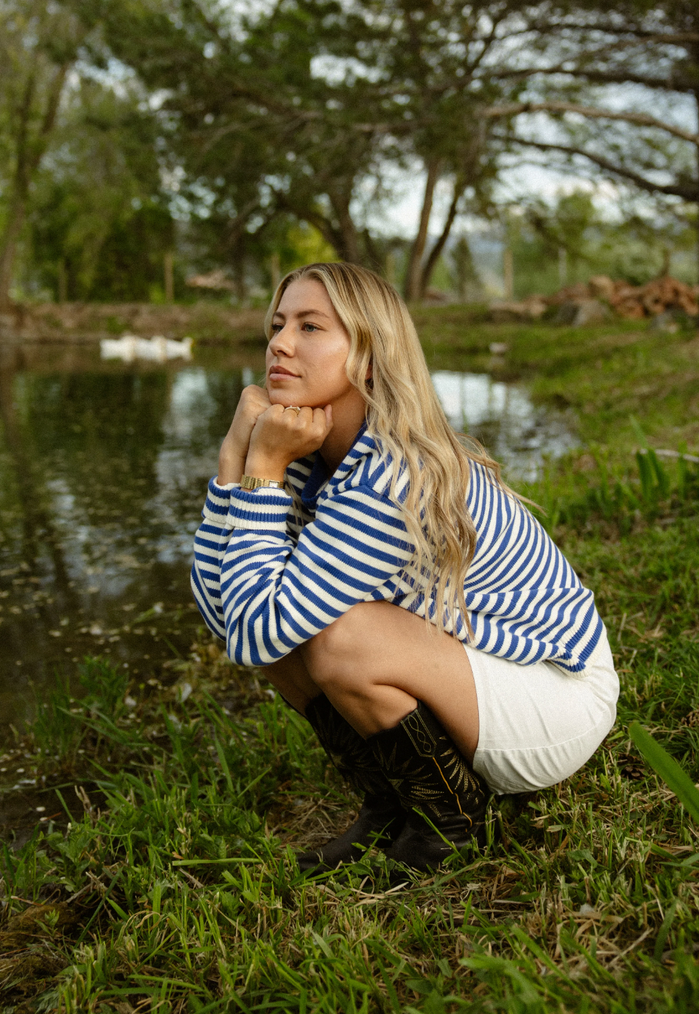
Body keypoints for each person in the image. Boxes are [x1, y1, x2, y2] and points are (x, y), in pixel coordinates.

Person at [191, 261, 619, 873]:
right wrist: (235, 458)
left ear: (367, 358)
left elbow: (254, 629)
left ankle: (452, 821)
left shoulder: (393, 474)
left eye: (312, 327)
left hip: (556, 696)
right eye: (278, 324)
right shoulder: (316, 462)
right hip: (478, 671)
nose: (280, 343)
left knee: (337, 636)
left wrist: (261, 471)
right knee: (289, 633)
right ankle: (392, 801)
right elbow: (227, 614)